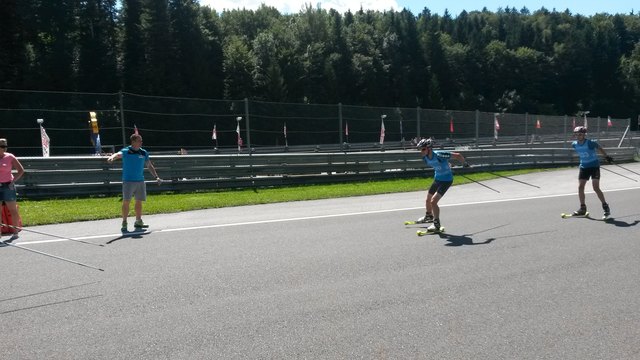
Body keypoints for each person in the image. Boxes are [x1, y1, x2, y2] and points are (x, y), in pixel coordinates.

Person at [107, 134, 161, 232]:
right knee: (126, 201)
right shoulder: (126, 151)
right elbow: (117, 154)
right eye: (139, 140)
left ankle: (138, 221)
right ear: (133, 142)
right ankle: (124, 222)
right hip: (128, 181)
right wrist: (112, 157)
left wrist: (156, 177)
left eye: (141, 140)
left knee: (139, 201)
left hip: (140, 180)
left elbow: (149, 165)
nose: (141, 142)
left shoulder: (143, 152)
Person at [415, 138, 468, 232]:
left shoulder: (439, 154)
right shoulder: (425, 157)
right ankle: (428, 216)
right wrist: (447, 164)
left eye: (423, 149)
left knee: (433, 202)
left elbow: (457, 155)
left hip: (446, 180)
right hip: (437, 178)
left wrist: (464, 164)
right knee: (428, 199)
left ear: (429, 148)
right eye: (420, 149)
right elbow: (438, 164)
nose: (421, 151)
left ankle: (436, 225)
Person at [570, 126, 612, 217]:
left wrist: (606, 157)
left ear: (584, 134)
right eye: (576, 134)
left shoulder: (590, 143)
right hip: (584, 167)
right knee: (580, 187)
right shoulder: (574, 144)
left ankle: (605, 206)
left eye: (580, 134)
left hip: (594, 167)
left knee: (595, 187)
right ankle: (582, 208)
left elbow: (599, 148)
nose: (578, 136)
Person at [0, 138, 25, 240]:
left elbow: (21, 170)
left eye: (5, 146)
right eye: (2, 146)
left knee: (13, 210)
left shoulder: (10, 157)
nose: (4, 148)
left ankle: (15, 232)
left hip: (8, 186)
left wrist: (12, 182)